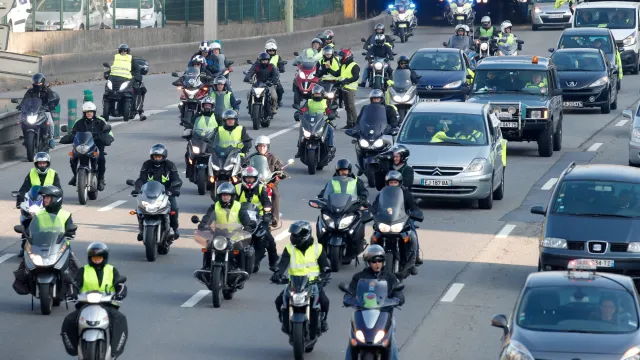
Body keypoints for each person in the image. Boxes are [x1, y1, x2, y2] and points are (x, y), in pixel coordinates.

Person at [60, 242, 128, 358]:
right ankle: (73, 348)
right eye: (94, 258)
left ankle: (115, 351)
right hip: (85, 304)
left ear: (104, 258)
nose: (96, 260)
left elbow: (120, 284)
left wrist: (120, 294)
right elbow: (75, 284)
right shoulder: (83, 270)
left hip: (107, 304)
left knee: (120, 319)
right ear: (89, 258)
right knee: (69, 320)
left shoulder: (112, 270)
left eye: (99, 258)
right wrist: (72, 293)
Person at [342, 245, 405, 360]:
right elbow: (350, 292)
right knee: (352, 342)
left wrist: (397, 298)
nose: (377, 264)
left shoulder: (390, 277)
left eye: (380, 260)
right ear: (367, 262)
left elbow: (399, 293)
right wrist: (348, 298)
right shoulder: (359, 277)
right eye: (374, 261)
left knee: (392, 344)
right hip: (362, 314)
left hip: (385, 316)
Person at [271, 221, 331, 332]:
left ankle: (323, 320)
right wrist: (277, 273)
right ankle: (284, 319)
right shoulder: (289, 248)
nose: (293, 237)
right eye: (292, 235)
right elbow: (283, 263)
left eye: (296, 235)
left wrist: (324, 274)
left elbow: (325, 266)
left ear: (305, 235)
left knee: (325, 301)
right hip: (294, 284)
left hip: (313, 284)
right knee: (278, 301)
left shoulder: (318, 248)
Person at [13, 185, 79, 270]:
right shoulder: (39, 215)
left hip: (60, 247)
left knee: (75, 267)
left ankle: (77, 282)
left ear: (56, 199)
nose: (44, 200)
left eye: (47, 198)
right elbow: (31, 229)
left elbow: (71, 231)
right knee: (24, 266)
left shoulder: (65, 215)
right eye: (44, 198)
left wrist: (70, 233)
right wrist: (25, 232)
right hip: (39, 247)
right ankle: (19, 282)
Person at [372, 171, 420, 278]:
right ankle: (371, 260)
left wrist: (416, 212)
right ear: (387, 183)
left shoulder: (406, 194)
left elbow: (413, 207)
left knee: (413, 237)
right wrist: (370, 212)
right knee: (374, 237)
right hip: (385, 221)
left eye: (395, 182)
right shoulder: (382, 194)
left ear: (400, 183)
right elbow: (375, 206)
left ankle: (412, 262)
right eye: (391, 182)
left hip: (401, 222)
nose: (393, 184)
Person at [195, 182, 244, 283]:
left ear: (232, 196)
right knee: (208, 246)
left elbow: (245, 218)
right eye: (223, 195)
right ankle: (206, 267)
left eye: (227, 195)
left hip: (234, 234)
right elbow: (207, 217)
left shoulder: (239, 206)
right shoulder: (214, 206)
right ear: (220, 196)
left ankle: (240, 269)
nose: (225, 197)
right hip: (218, 234)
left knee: (241, 248)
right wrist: (203, 225)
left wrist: (248, 225)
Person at [234, 166, 279, 271]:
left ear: (255, 178)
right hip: (240, 218)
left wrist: (267, 215)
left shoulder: (260, 188)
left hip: (258, 219)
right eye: (247, 178)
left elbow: (266, 202)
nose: (249, 180)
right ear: (243, 178)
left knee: (270, 241)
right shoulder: (237, 188)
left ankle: (273, 263)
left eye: (252, 178)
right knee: (228, 238)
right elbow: (232, 202)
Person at [133, 144, 182, 239]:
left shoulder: (169, 165)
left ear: (164, 156)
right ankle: (141, 229)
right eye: (155, 156)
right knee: (139, 210)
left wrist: (173, 189)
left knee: (174, 208)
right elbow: (141, 179)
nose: (157, 159)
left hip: (166, 194)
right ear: (151, 156)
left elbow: (176, 179)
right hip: (149, 194)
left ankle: (174, 228)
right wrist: (137, 188)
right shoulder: (147, 165)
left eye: (159, 156)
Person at [67, 102, 113, 191]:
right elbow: (73, 132)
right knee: (72, 158)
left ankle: (101, 179)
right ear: (84, 113)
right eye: (87, 112)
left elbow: (109, 132)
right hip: (81, 146)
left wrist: (107, 137)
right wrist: (68, 137)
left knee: (101, 159)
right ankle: (76, 176)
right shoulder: (78, 122)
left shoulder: (100, 121)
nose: (89, 113)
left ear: (94, 112)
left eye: (91, 111)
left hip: (96, 146)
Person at [244, 135, 288, 226]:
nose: (262, 148)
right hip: (255, 182)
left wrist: (281, 173)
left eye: (264, 146)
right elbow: (244, 165)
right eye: (260, 146)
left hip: (269, 182)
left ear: (267, 147)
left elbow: (281, 168)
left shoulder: (273, 158)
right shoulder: (252, 157)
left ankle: (274, 217)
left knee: (275, 194)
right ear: (257, 147)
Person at [18, 73, 59, 149]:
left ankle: (51, 138)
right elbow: (25, 99)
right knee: (22, 122)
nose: (37, 84)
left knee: (50, 123)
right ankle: (26, 138)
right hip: (32, 111)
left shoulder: (47, 91)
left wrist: (51, 105)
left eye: (39, 83)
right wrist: (21, 105)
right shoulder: (30, 92)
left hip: (44, 110)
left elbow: (53, 98)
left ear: (42, 82)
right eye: (35, 83)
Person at [294, 85, 336, 158]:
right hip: (309, 121)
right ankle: (300, 149)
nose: (317, 95)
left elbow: (328, 110)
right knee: (302, 129)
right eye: (315, 94)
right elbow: (303, 109)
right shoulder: (309, 102)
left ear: (322, 94)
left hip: (323, 121)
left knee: (330, 129)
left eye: (318, 94)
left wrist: (331, 114)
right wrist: (298, 113)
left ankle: (329, 148)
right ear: (312, 94)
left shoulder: (325, 102)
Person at [184, 96, 217, 178]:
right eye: (205, 105)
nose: (207, 107)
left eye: (209, 105)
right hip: (198, 139)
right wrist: (188, 130)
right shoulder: (196, 116)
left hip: (212, 140)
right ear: (202, 106)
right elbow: (190, 125)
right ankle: (190, 171)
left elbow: (222, 128)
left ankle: (217, 173)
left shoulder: (217, 117)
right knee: (188, 152)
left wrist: (219, 133)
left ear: (212, 106)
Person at [336, 49, 360, 130]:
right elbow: (337, 74)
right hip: (343, 88)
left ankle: (356, 123)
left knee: (351, 106)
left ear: (347, 56)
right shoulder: (343, 66)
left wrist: (346, 81)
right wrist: (327, 69)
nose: (340, 58)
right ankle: (350, 123)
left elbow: (356, 77)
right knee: (347, 107)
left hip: (351, 89)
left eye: (341, 57)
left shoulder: (354, 65)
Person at [265, 39, 286, 107]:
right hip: (262, 76)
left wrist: (281, 68)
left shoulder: (277, 57)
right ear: (266, 50)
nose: (271, 52)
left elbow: (280, 64)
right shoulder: (262, 56)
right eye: (270, 50)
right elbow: (256, 65)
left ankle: (279, 101)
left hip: (273, 77)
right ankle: (251, 103)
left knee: (280, 89)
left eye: (273, 50)